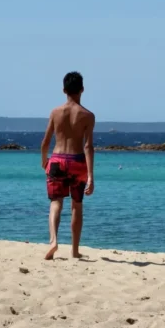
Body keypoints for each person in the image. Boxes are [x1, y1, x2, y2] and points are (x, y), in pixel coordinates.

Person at [40, 71, 96, 260]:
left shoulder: (55, 112)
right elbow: (88, 146)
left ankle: (53, 241)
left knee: (56, 202)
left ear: (64, 90)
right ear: (82, 89)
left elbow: (46, 141)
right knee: (76, 206)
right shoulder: (88, 116)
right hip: (77, 161)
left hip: (56, 159)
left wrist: (44, 160)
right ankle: (74, 250)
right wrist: (91, 175)